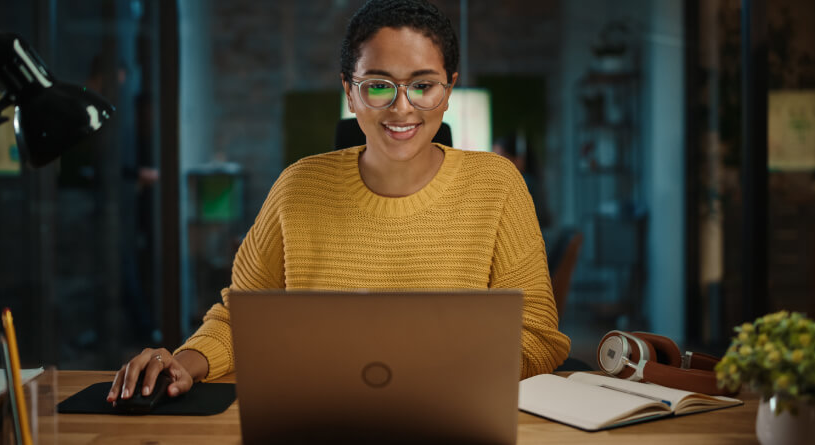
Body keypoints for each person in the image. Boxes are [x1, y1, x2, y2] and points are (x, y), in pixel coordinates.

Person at [108, 0, 570, 404]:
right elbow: (240, 318)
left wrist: (435, 372)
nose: (402, 108)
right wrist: (185, 362)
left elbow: (539, 339)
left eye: (423, 85)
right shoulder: (298, 187)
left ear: (448, 90)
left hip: (454, 415)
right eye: (379, 85)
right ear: (350, 91)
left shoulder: (497, 184)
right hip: (318, 417)